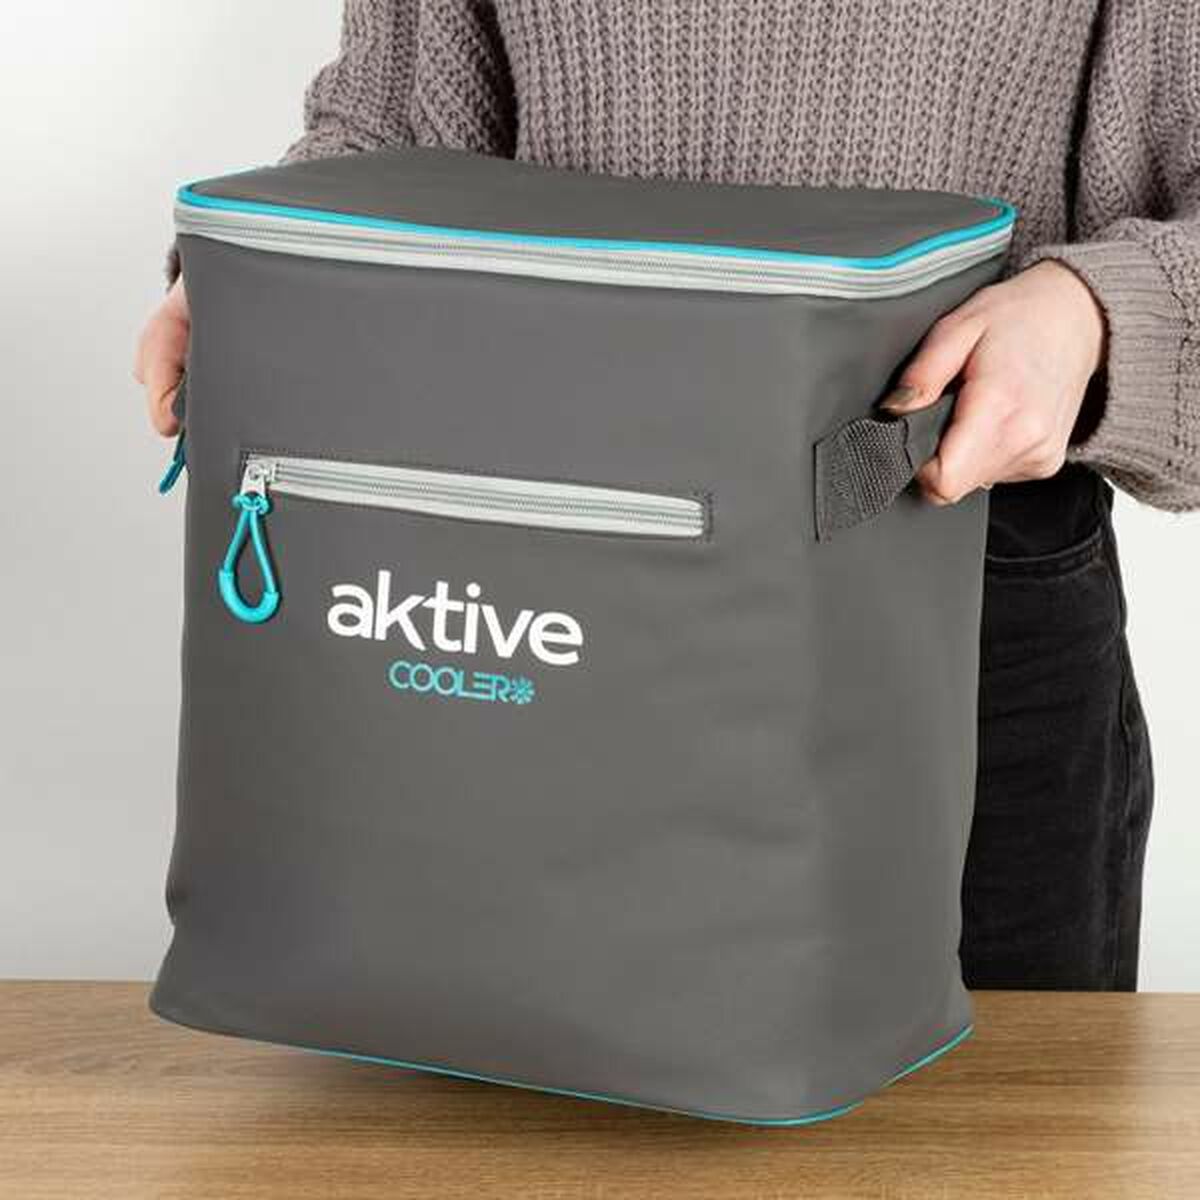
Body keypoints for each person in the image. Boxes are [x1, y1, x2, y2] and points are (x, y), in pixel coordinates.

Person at [135, 2, 1198, 990]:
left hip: (938, 550)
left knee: (989, 1108)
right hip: (532, 550)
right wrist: (264, 277)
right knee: (468, 1074)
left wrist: (1092, 313)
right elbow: (395, 130)